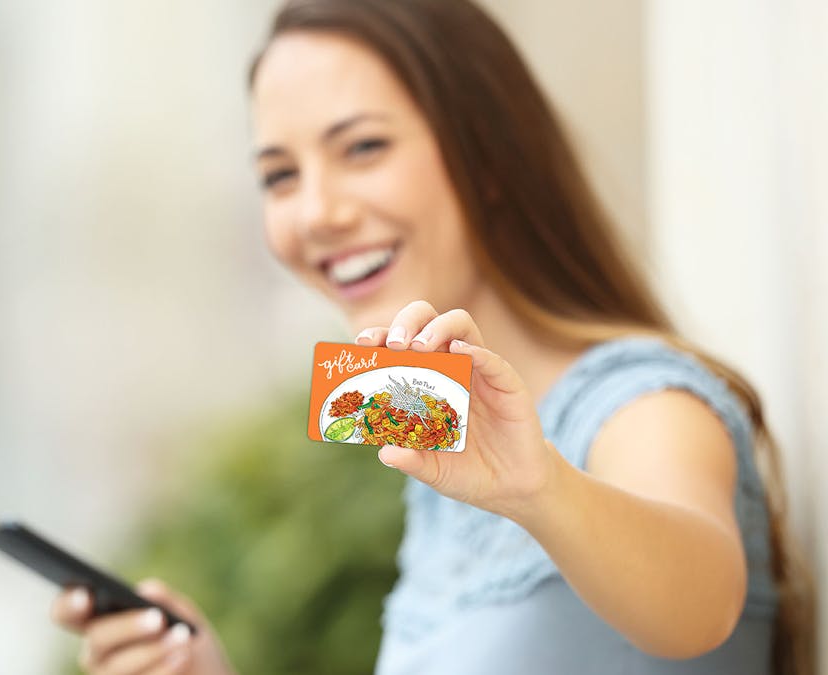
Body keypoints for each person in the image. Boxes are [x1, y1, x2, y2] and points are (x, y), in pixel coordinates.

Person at [49, 1, 815, 673]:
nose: (316, 211)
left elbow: (700, 606)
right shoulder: (442, 441)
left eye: (362, 148)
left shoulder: (644, 403)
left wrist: (540, 487)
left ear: (487, 157)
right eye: (280, 175)